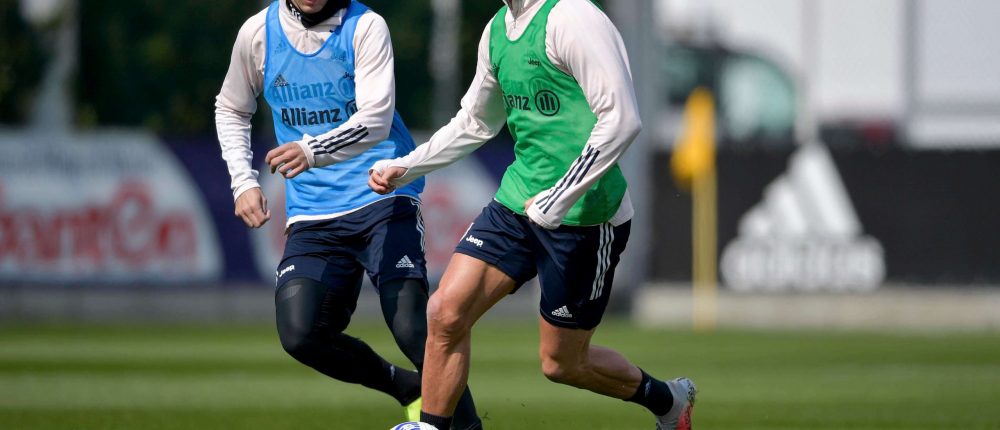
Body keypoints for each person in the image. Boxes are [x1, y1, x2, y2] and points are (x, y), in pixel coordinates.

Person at [369, 0, 697, 429]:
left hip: (585, 216)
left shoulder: (572, 17)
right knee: (445, 311)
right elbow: (476, 122)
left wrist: (556, 200)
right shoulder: (497, 30)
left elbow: (622, 119)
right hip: (517, 202)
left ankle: (669, 400)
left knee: (562, 363)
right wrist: (408, 166)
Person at [214, 1, 481, 428]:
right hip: (313, 212)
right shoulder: (257, 34)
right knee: (301, 334)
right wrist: (242, 181)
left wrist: (311, 150)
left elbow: (375, 119)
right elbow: (231, 107)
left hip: (382, 193)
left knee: (412, 326)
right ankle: (407, 387)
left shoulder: (366, 26)